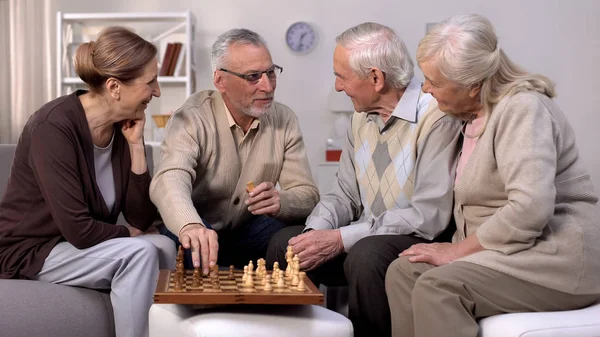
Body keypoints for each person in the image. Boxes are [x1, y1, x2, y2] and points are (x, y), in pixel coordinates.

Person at [385, 14, 600, 337]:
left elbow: (530, 208)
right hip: (507, 252)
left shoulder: (522, 109)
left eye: (435, 82)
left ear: (473, 86)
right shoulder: (464, 117)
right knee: (403, 272)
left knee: (439, 287)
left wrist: (457, 251)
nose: (426, 90)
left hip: (556, 259)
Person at [266, 22, 461, 337]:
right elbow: (344, 194)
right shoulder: (359, 117)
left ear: (376, 78)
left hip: (418, 238)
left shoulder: (435, 116)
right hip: (364, 235)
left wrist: (341, 239)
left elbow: (428, 215)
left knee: (366, 254)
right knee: (286, 244)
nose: (338, 87)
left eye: (341, 76)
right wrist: (315, 233)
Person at [0, 27, 175, 337]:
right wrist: (128, 233)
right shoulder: (52, 127)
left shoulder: (122, 125)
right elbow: (79, 229)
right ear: (114, 86)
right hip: (32, 250)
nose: (157, 92)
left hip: (75, 245)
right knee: (140, 253)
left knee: (162, 245)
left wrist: (136, 145)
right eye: (150, 82)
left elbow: (141, 217)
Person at [150, 28, 319, 275]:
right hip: (197, 228)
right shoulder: (192, 116)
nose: (267, 86)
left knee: (296, 238)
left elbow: (308, 195)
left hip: (246, 231)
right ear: (220, 81)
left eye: (271, 73)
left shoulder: (285, 119)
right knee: (195, 242)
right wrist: (191, 224)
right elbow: (170, 178)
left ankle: (287, 310)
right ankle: (207, 312)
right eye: (253, 76)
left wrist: (281, 201)